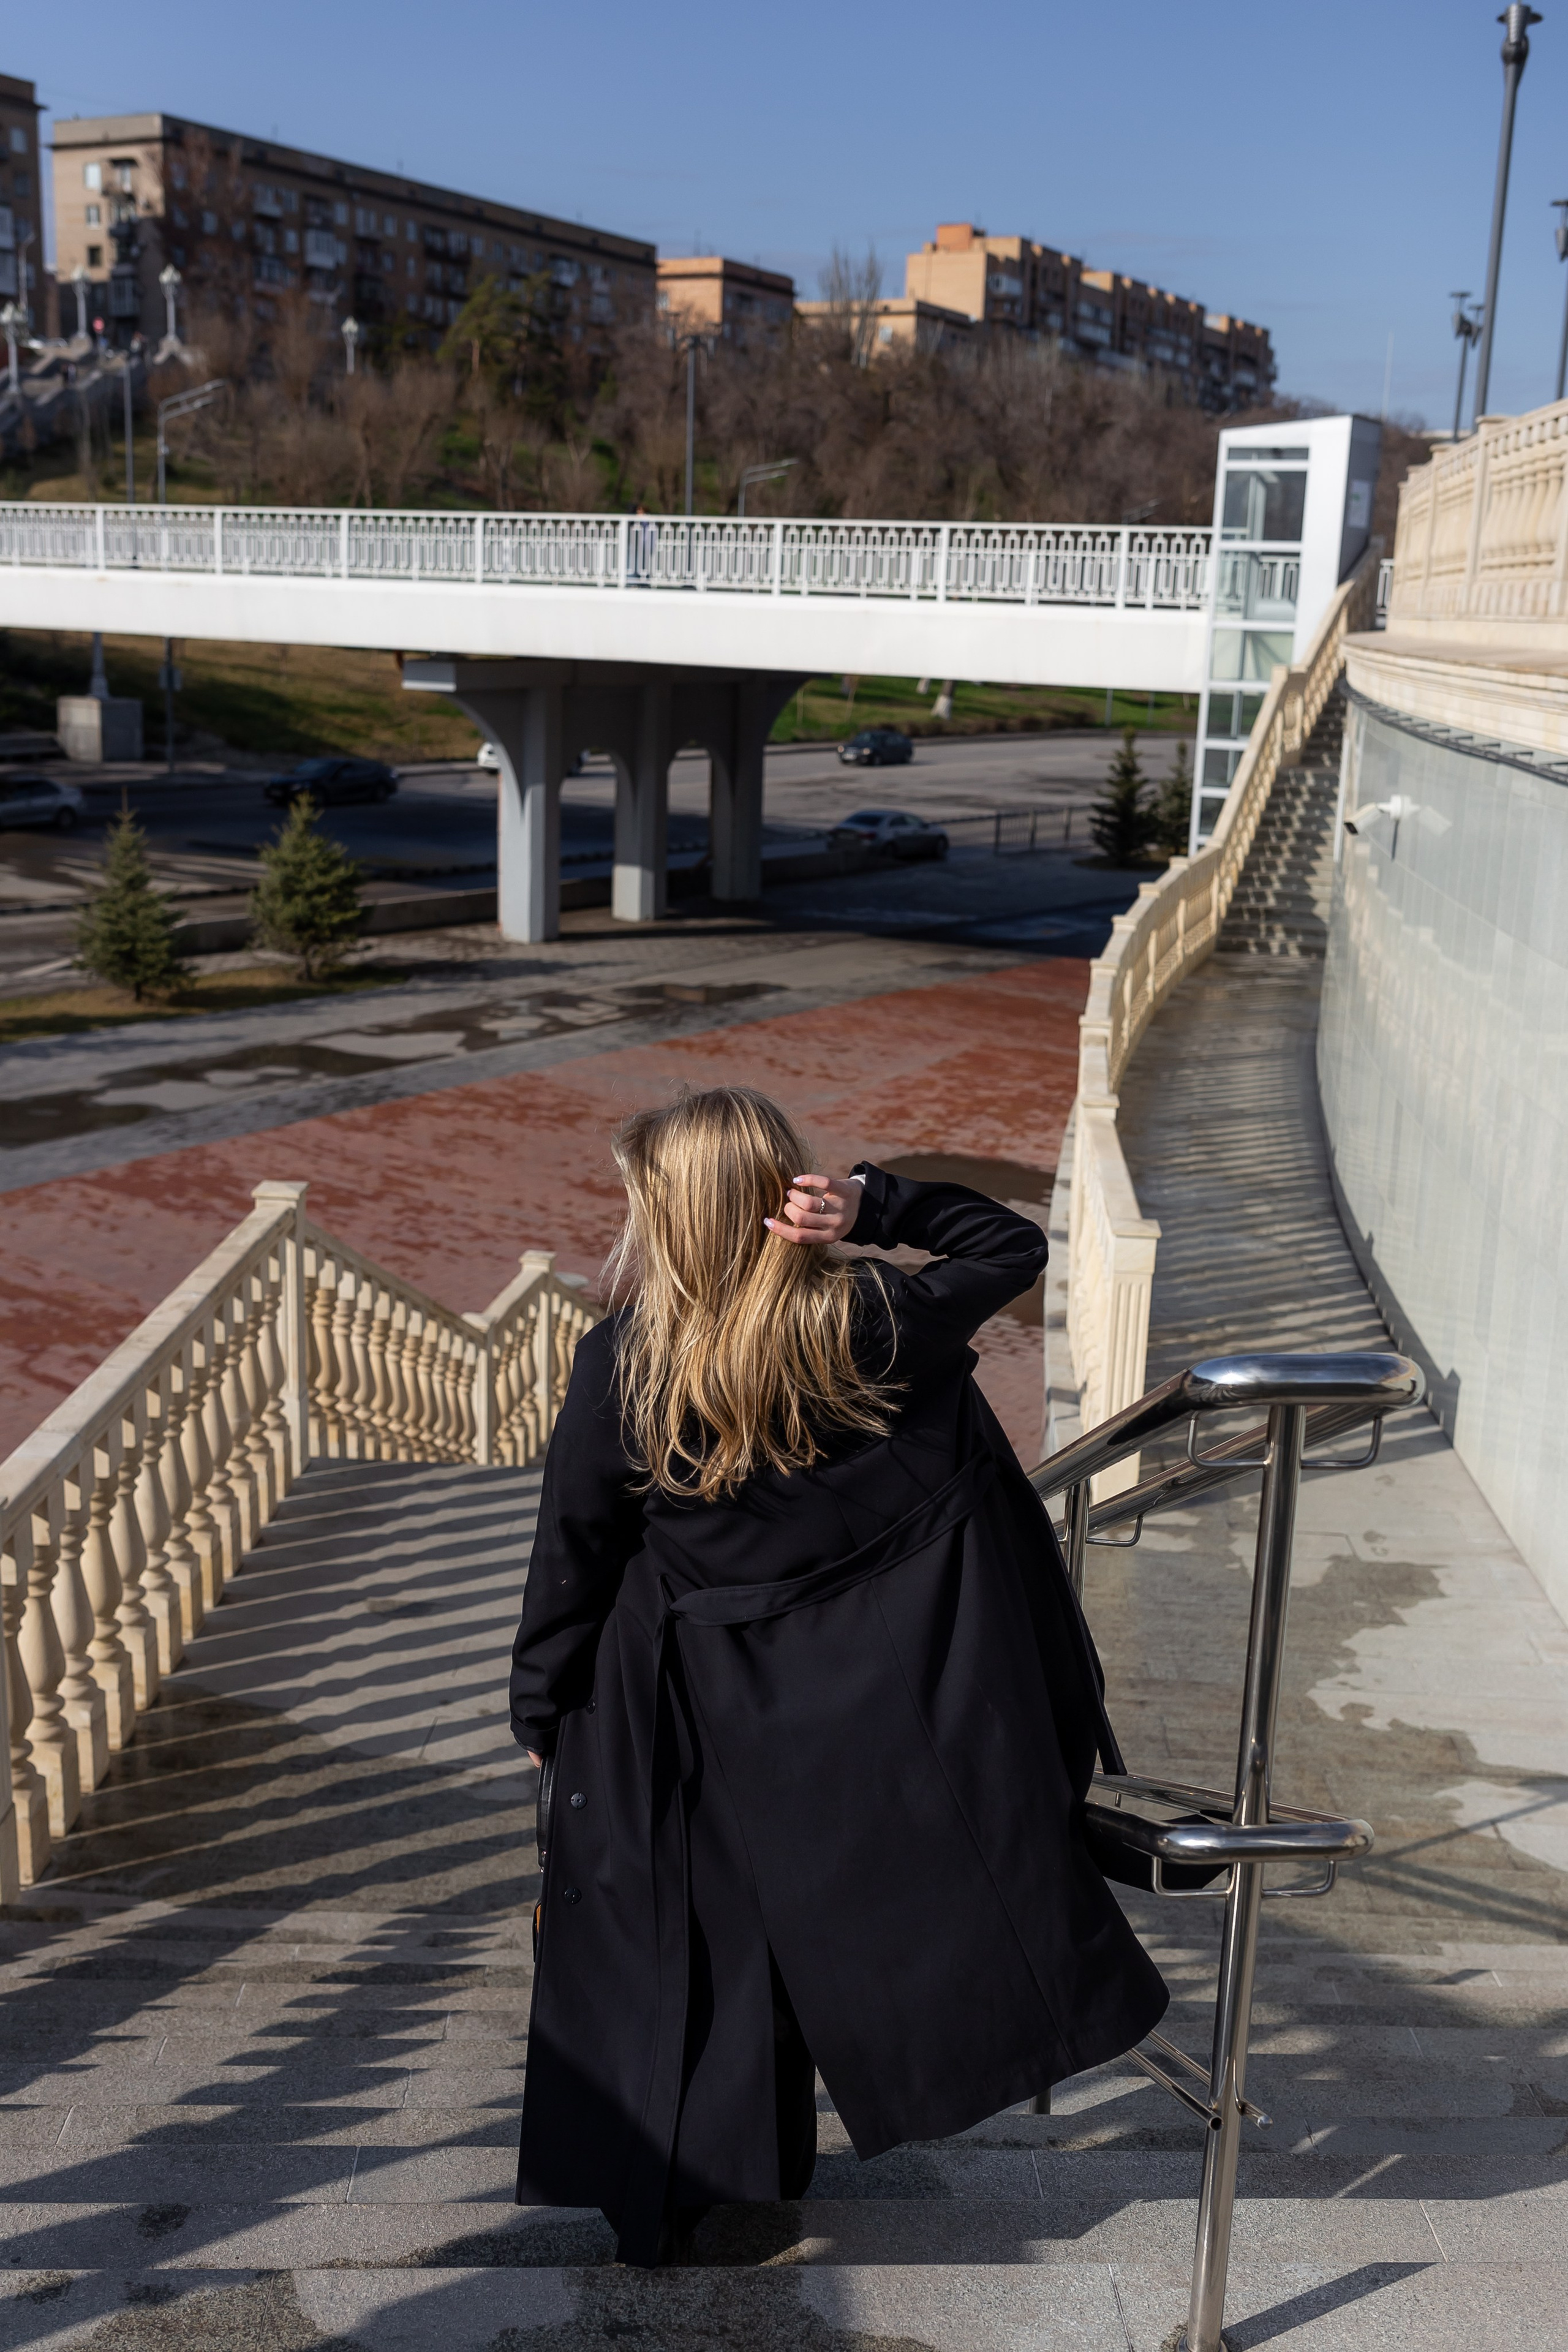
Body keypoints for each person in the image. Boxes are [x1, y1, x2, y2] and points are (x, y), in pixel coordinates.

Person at [508, 1085, 1167, 2266]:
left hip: (692, 1701)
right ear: (782, 1199)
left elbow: (577, 1552)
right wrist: (877, 1203)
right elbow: (1012, 1242)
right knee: (836, 1922)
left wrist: (542, 1703)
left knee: (698, 1945)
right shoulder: (873, 1314)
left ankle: (695, 2190)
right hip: (864, 1698)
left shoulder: (627, 1361)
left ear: (667, 1216)